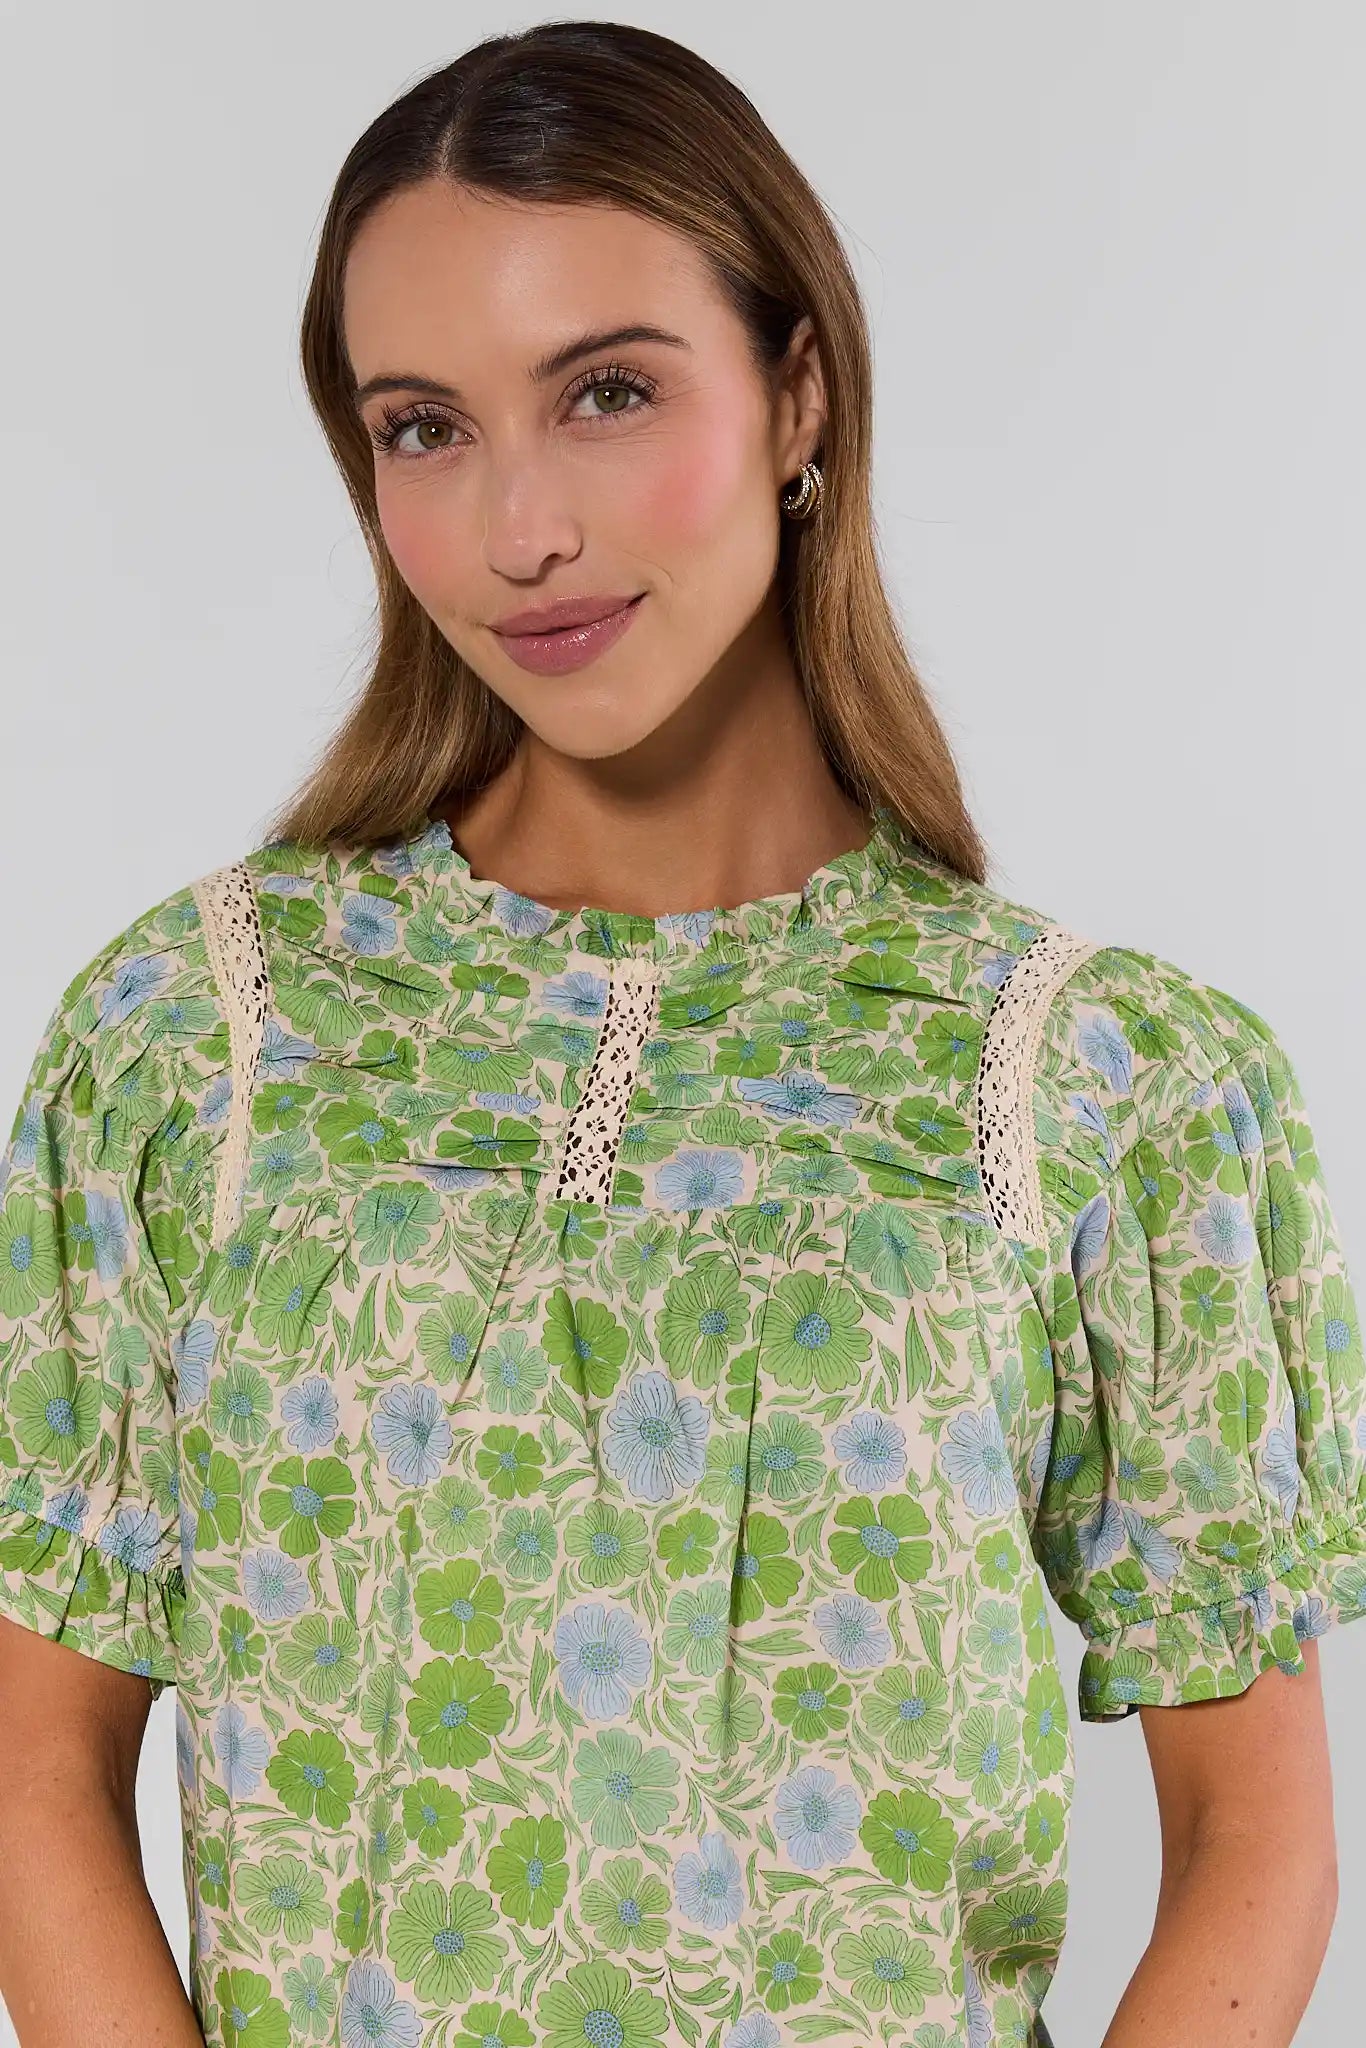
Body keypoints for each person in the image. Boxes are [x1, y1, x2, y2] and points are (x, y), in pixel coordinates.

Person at [0, 22, 1361, 2048]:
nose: (517, 529)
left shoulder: (1109, 1084)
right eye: (422, 428)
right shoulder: (198, 1037)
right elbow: (37, 1771)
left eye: (608, 392)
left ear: (795, 389)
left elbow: (1246, 1825)